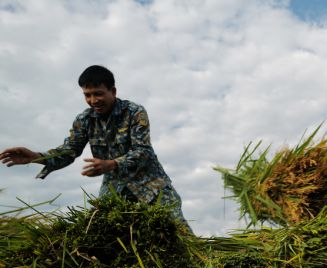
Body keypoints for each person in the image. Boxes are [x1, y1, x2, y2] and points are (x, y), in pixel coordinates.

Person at [0, 65, 189, 228]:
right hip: (115, 191)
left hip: (151, 185)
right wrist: (35, 157)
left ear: (113, 91)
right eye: (87, 95)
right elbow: (69, 151)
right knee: (100, 237)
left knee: (178, 234)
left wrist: (112, 164)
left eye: (98, 94)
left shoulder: (134, 112)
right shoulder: (84, 120)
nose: (93, 100)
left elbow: (143, 151)